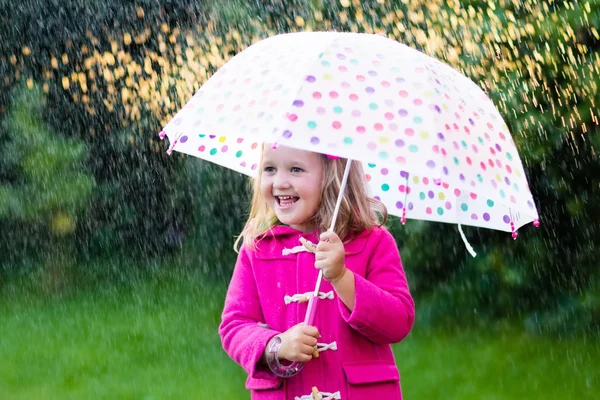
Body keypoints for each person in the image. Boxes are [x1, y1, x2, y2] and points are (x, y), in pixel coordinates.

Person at [219, 144, 415, 400]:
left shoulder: (373, 241)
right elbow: (235, 324)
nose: (280, 182)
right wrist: (275, 346)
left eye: (296, 169)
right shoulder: (257, 248)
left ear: (333, 175)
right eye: (270, 168)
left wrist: (343, 279)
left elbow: (398, 321)